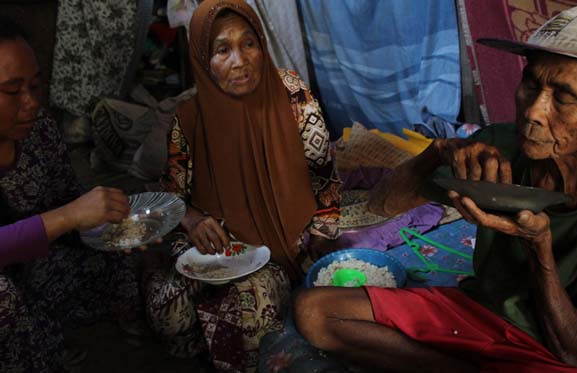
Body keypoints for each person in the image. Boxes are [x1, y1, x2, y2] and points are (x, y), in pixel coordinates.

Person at [294, 3, 577, 373]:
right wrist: (438, 152)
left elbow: (575, 350)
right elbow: (383, 203)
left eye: (563, 97)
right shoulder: (498, 147)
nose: (533, 111)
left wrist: (539, 248)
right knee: (314, 312)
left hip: (558, 353)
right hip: (482, 313)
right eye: (530, 84)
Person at [143, 0, 341, 370]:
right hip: (216, 245)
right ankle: (204, 334)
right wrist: (193, 221)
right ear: (203, 57)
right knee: (167, 309)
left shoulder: (294, 95)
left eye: (248, 43)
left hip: (286, 243)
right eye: (222, 49)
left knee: (255, 309)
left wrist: (321, 239)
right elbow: (172, 192)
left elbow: (324, 176)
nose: (240, 60)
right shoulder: (187, 118)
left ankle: (230, 333)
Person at [0, 18, 141, 372]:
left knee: (110, 251)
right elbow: (67, 213)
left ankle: (49, 334)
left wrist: (109, 220)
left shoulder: (40, 131)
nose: (30, 103)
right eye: (12, 91)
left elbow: (67, 196)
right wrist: (69, 216)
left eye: (35, 86)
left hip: (32, 265)